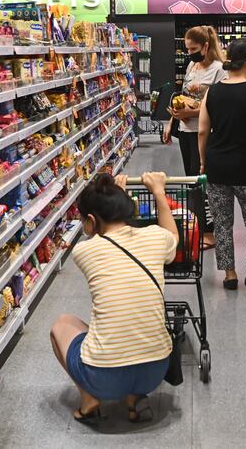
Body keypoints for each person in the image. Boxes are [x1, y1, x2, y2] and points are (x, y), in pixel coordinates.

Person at [49, 172, 178, 424]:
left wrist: (114, 195)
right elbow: (173, 236)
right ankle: (135, 399)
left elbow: (105, 239)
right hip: (155, 371)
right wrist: (158, 192)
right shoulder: (155, 237)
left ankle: (89, 399)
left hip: (103, 376)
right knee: (135, 328)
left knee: (62, 325)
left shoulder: (84, 251)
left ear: (90, 220)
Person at [197, 38, 246, 293]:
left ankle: (230, 274)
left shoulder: (213, 90)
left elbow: (202, 130)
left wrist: (202, 161)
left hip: (217, 166)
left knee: (222, 223)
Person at [163, 25, 227, 249]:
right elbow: (184, 95)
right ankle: (198, 225)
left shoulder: (220, 69)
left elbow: (218, 104)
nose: (189, 52)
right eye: (187, 48)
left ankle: (210, 232)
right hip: (186, 131)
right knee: (191, 181)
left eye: (193, 48)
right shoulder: (191, 65)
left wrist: (191, 113)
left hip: (206, 134)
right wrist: (172, 121)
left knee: (203, 181)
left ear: (206, 46)